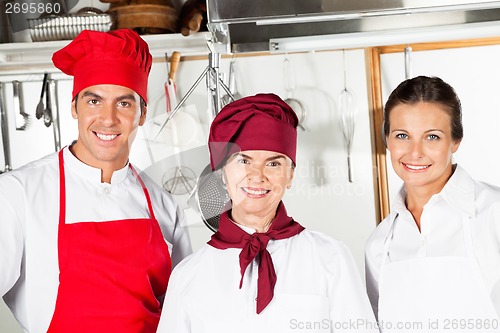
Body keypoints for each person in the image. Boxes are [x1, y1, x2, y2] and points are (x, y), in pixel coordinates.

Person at [0, 29, 192, 332]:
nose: (108, 118)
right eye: (94, 101)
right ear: (74, 107)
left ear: (142, 113)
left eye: (124, 103)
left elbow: (184, 311)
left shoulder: (163, 204)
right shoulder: (18, 194)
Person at [157, 93, 378, 333]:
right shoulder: (188, 276)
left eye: (274, 163)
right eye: (243, 161)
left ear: (291, 175)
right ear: (222, 173)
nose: (257, 175)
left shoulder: (331, 258)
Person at [365, 76, 500, 332]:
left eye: (432, 137)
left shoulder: (495, 213)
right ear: (387, 140)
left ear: (455, 141)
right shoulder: (379, 244)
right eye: (402, 135)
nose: (415, 152)